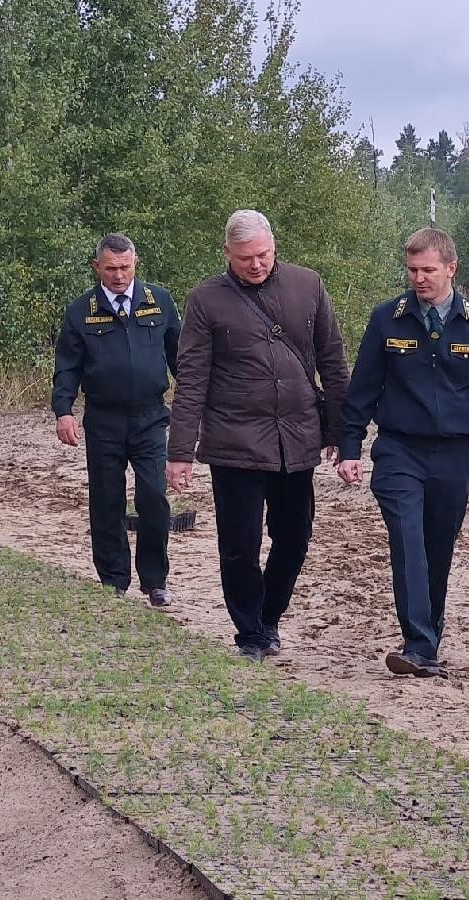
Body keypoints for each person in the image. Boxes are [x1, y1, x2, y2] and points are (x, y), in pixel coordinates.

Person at [336, 227, 469, 679]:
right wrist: (350, 448)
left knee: (438, 550)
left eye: (428, 270)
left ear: (451, 268)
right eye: (412, 270)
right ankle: (418, 644)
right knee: (408, 541)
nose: (418, 278)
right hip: (399, 451)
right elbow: (360, 391)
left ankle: (427, 644)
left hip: (454, 456)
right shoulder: (388, 320)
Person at [167, 210, 349, 661]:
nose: (256, 264)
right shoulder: (205, 300)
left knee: (294, 537)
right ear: (227, 253)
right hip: (234, 443)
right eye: (246, 257)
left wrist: (342, 433)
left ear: (274, 245)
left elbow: (333, 362)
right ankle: (249, 632)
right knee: (240, 545)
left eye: (263, 255)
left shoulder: (308, 285)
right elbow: (191, 380)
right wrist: (180, 452)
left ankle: (268, 616)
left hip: (298, 438)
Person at [53, 233, 181, 608]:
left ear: (135, 263)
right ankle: (114, 580)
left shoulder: (160, 302)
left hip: (150, 416)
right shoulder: (81, 311)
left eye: (125, 268)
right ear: (97, 267)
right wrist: (63, 411)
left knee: (153, 496)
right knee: (107, 500)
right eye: (111, 269)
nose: (119, 276)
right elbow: (67, 366)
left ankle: (155, 580)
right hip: (103, 418)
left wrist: (195, 409)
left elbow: (183, 360)